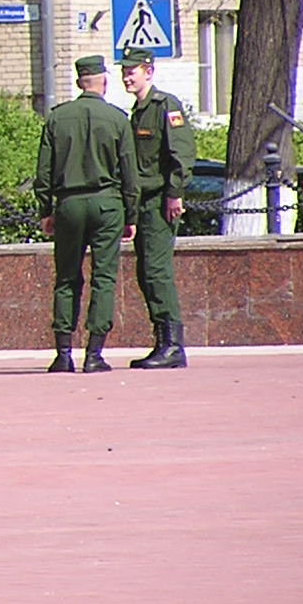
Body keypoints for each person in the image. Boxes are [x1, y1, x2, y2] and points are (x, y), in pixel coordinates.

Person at [36, 54, 138, 372]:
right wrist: (130, 215)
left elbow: (44, 171)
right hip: (107, 204)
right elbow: (129, 173)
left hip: (68, 204)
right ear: (103, 82)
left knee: (67, 277)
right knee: (104, 277)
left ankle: (63, 354)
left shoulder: (57, 118)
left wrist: (45, 209)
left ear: (80, 82)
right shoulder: (118, 119)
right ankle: (94, 354)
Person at [120, 46, 192, 369]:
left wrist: (175, 193)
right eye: (124, 71)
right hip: (143, 204)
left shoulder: (165, 106)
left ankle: (173, 344)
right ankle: (162, 340)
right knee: (145, 272)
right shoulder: (137, 112)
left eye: (132, 71)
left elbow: (181, 152)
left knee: (157, 271)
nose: (126, 76)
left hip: (160, 202)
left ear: (148, 71)